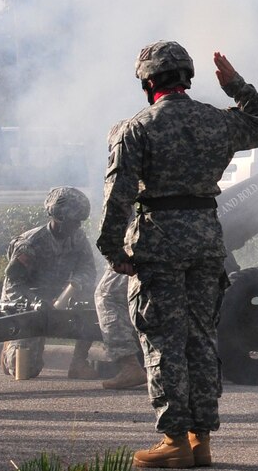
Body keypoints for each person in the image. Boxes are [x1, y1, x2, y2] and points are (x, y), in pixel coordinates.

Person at [97, 41, 258, 468]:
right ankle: (201, 440)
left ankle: (174, 441)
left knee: (163, 341)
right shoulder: (217, 122)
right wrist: (236, 86)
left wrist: (112, 249)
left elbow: (118, 197)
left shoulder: (136, 128)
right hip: (205, 242)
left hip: (158, 245)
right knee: (200, 338)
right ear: (187, 77)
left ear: (148, 82)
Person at [0, 186, 99, 380]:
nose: (77, 226)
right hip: (28, 304)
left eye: (79, 221)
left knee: (95, 302)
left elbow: (88, 269)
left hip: (61, 297)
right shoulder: (29, 244)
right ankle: (8, 350)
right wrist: (36, 302)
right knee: (26, 370)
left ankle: (78, 362)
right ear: (58, 218)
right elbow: (14, 285)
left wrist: (75, 284)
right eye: (73, 221)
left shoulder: (78, 238)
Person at [94, 120, 146, 391]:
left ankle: (129, 365)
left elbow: (117, 210)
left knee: (106, 295)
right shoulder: (158, 156)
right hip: (181, 241)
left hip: (139, 244)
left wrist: (113, 253)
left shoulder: (126, 168)